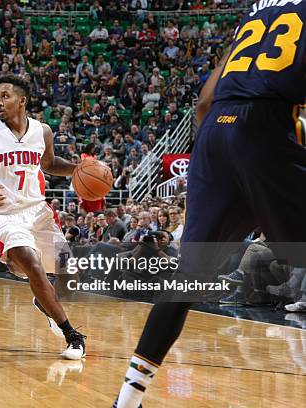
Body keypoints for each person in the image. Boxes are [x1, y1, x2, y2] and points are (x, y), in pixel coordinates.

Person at [113, 2, 306, 407]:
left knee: (187, 277)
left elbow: (203, 101)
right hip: (267, 125)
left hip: (215, 130)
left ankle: (127, 400)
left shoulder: (255, 15)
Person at [0, 75, 86, 360]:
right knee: (32, 262)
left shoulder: (43, 131)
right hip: (6, 214)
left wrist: (78, 169)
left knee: (71, 274)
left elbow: (50, 164)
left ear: (22, 100)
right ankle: (72, 335)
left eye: (5, 96)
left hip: (39, 212)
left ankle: (44, 302)